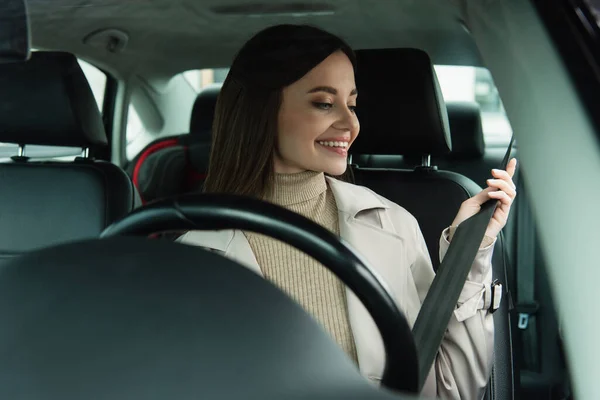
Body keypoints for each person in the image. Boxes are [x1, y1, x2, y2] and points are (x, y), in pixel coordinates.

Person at [178, 24, 517, 399]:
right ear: (262, 110)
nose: (350, 123)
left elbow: (452, 391)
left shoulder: (394, 226)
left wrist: (468, 253)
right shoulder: (191, 255)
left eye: (352, 104)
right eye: (325, 103)